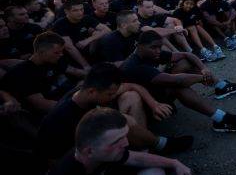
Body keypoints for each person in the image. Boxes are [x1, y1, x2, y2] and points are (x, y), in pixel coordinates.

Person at [36, 63, 191, 160]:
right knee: (121, 124)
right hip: (77, 157)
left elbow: (132, 86)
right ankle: (156, 146)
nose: (112, 97)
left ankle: (147, 150)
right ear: (92, 91)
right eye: (109, 94)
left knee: (131, 96)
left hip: (97, 142)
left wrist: (154, 104)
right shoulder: (66, 115)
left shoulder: (85, 94)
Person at [35, 107, 193, 175]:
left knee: (155, 171)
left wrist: (174, 163)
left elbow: (135, 158)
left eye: (124, 136)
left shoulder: (98, 152)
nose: (126, 143)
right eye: (117, 141)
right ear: (89, 152)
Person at [120, 31, 236, 132]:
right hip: (145, 106)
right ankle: (221, 119)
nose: (158, 51)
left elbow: (186, 55)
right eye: (154, 47)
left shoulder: (151, 53)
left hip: (154, 92)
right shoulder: (135, 65)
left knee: (185, 62)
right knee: (177, 85)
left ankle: (221, 86)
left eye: (160, 47)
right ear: (139, 46)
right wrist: (202, 78)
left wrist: (204, 68)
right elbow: (177, 81)